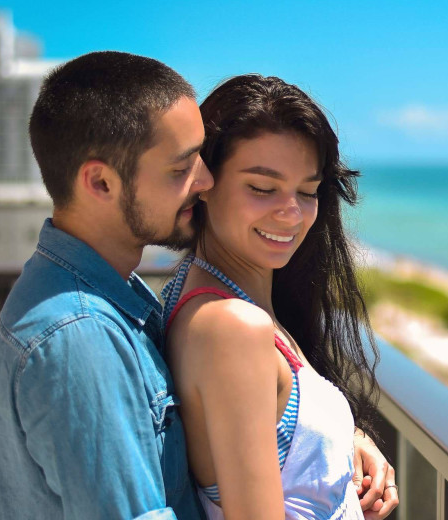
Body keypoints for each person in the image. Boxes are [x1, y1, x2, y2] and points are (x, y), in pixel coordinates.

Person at [0, 51, 394, 519]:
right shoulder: (79, 334)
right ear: (100, 183)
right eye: (182, 168)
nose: (203, 180)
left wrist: (339, 442)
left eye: (308, 191)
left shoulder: (124, 301)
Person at [161, 74, 398, 520]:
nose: (291, 212)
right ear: (204, 183)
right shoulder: (233, 326)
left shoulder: (196, 292)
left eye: (307, 192)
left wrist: (346, 442)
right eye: (262, 188)